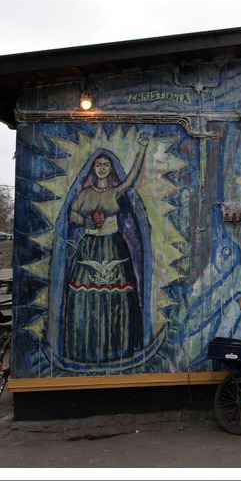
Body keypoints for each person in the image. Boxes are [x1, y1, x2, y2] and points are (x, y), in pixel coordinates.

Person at [61, 133, 149, 363]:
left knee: (118, 295)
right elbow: (72, 214)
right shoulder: (85, 194)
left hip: (113, 246)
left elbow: (132, 177)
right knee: (85, 293)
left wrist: (141, 148)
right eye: (98, 164)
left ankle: (118, 348)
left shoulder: (116, 191)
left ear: (111, 168)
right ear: (93, 168)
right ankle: (86, 349)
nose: (102, 168)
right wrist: (84, 221)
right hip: (89, 247)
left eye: (106, 164)